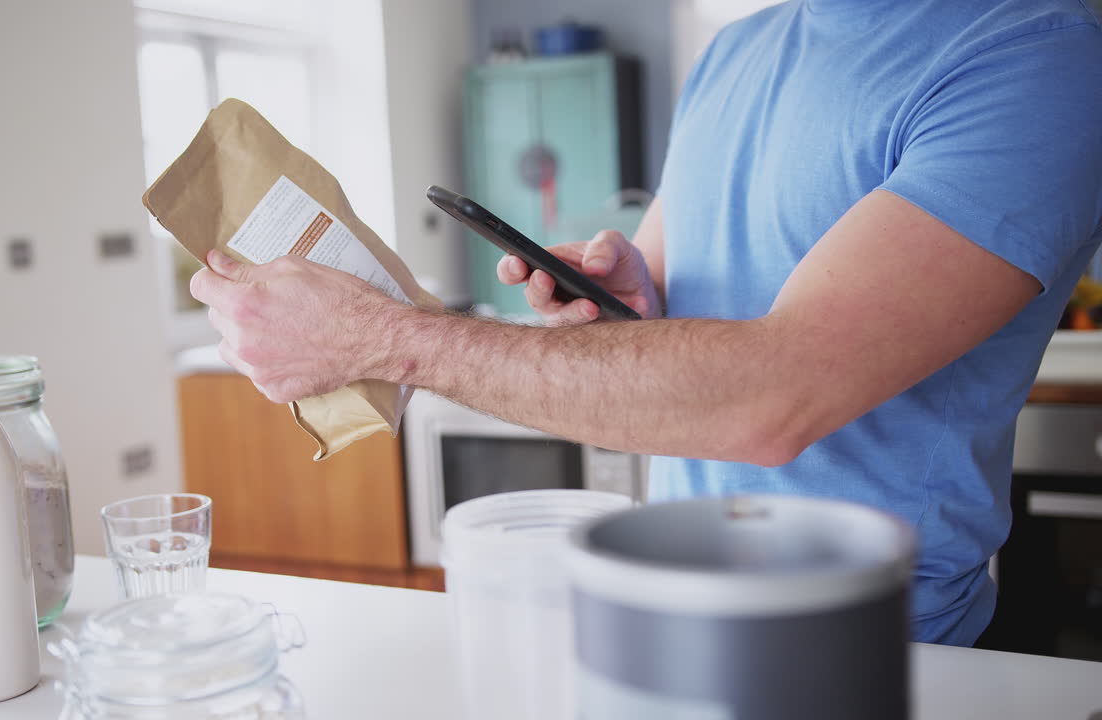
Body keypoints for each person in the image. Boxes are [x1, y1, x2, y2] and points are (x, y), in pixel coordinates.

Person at [190, 0, 1102, 647]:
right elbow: (659, 298)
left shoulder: (1038, 55)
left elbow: (771, 399)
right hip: (666, 609)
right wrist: (630, 305)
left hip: (874, 643)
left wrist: (385, 336)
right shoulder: (739, 48)